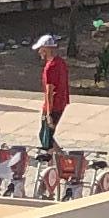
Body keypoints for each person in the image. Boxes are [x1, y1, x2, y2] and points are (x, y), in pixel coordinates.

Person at [35, 31, 71, 161]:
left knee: (46, 136)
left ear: (47, 49)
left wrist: (49, 113)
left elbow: (50, 91)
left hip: (53, 105)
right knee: (46, 134)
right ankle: (61, 156)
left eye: (41, 49)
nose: (39, 52)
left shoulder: (51, 67)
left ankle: (55, 159)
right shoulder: (61, 62)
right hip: (61, 102)